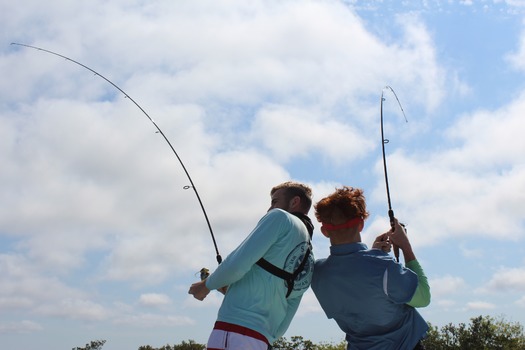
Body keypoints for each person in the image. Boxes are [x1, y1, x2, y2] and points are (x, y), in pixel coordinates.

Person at [188, 181, 315, 350]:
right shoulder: (309, 257)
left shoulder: (280, 217)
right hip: (262, 340)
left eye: (274, 202)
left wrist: (206, 285)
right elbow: (284, 321)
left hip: (232, 333)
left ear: (294, 202)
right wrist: (232, 289)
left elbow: (237, 263)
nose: (269, 209)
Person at [311, 186, 430, 350]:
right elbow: (423, 298)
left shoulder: (318, 273)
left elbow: (359, 288)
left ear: (324, 231)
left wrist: (373, 254)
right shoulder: (382, 266)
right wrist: (405, 247)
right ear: (360, 224)